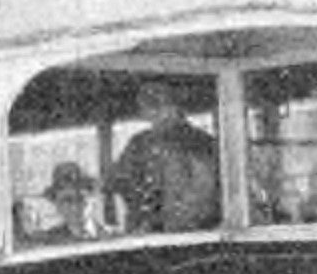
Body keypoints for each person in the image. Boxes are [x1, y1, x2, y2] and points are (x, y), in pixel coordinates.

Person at [107, 81, 220, 233]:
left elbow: (206, 192)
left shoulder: (203, 143)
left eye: (159, 106)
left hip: (196, 232)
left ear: (175, 108)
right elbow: (118, 181)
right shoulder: (139, 143)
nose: (152, 114)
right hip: (148, 232)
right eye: (149, 108)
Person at [26, 162, 102, 244]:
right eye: (67, 201)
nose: (75, 207)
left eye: (80, 199)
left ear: (93, 199)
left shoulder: (112, 238)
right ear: (57, 205)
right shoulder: (50, 242)